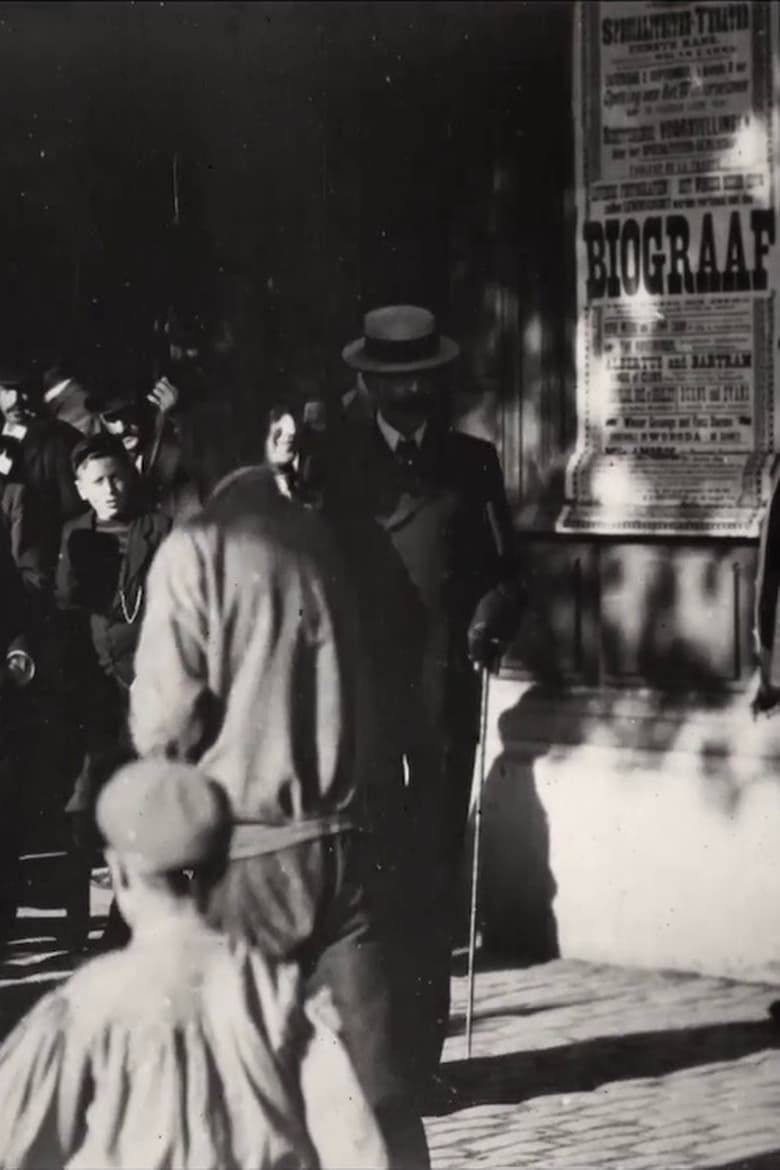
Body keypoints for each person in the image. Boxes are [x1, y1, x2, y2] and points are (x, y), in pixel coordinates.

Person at [130, 464, 429, 1168]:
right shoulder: (323, 539)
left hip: (247, 853)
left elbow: (165, 727)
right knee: (376, 1077)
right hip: (345, 843)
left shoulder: (194, 549)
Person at [0, 757, 388, 1169]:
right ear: (222, 866)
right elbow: (359, 1151)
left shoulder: (79, 1013)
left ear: (120, 873)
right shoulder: (279, 1003)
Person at [337, 303, 524, 1098]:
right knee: (374, 870)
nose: (407, 390)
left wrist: (495, 612)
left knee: (434, 872)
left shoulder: (472, 461)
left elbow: (510, 570)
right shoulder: (338, 464)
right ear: (370, 382)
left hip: (447, 688)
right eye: (391, 378)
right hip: (365, 696)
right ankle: (374, 1063)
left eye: (419, 376)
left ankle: (424, 1060)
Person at [56, 434, 172, 950]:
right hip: (99, 694)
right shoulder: (75, 537)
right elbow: (67, 614)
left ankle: (129, 921)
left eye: (117, 476)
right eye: (97, 481)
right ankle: (86, 918)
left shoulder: (161, 528)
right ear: (81, 489)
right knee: (90, 811)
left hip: (155, 687)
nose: (110, 489)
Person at [89, 378, 203, 523]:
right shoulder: (103, 466)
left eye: (129, 414)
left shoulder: (176, 454)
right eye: (112, 419)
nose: (122, 428)